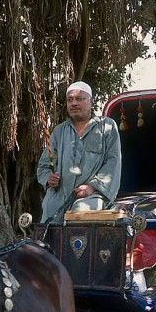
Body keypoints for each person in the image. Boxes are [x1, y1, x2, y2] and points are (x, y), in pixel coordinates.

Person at [37, 81, 121, 222]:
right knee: (48, 224)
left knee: (80, 213)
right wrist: (48, 179)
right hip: (60, 194)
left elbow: (113, 162)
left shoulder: (107, 126)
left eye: (79, 99)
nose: (74, 103)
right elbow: (45, 165)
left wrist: (92, 187)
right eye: (70, 100)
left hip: (93, 195)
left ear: (90, 101)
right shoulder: (59, 132)